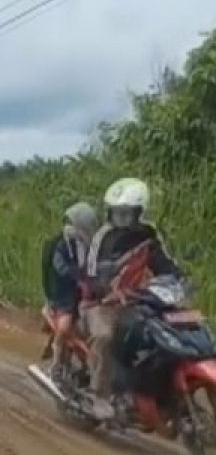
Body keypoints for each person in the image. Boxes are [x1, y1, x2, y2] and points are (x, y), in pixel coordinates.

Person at [82, 177, 180, 419]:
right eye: (116, 212)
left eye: (126, 213)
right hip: (100, 303)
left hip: (137, 300)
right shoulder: (103, 236)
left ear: (140, 212)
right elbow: (90, 273)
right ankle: (99, 395)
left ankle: (156, 393)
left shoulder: (150, 234)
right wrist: (106, 291)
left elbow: (165, 264)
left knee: (168, 333)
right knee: (105, 336)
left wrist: (178, 280)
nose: (120, 218)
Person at [40, 202, 97, 385]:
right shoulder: (61, 246)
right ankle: (56, 365)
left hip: (88, 294)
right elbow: (60, 267)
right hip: (65, 295)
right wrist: (78, 278)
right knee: (64, 327)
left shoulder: (92, 247)